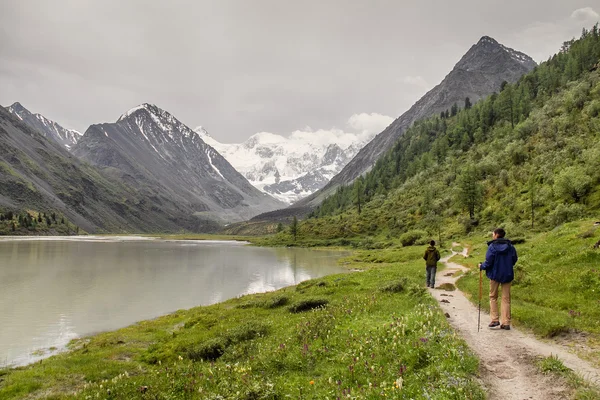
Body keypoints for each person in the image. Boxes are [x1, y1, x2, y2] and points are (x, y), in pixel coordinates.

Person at [479, 228, 518, 330]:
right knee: (506, 299)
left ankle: (495, 320)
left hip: (495, 275)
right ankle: (506, 322)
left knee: (493, 297)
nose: (492, 235)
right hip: (507, 274)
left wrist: (481, 266)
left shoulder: (492, 247)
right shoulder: (510, 247)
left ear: (496, 235)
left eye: (493, 234)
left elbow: (488, 262)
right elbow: (514, 259)